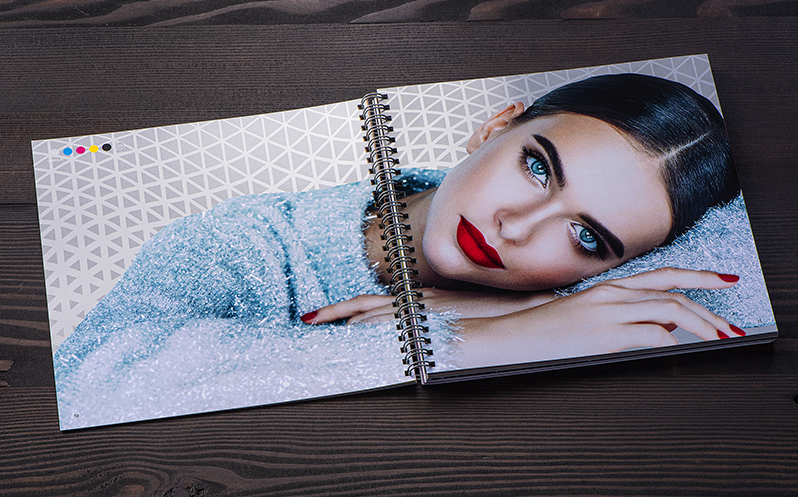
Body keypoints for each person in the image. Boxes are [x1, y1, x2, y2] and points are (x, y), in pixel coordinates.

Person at [53, 73, 749, 429]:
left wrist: (542, 304)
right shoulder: (241, 242)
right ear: (497, 125)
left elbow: (743, 267)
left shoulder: (590, 286)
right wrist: (479, 336)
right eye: (537, 166)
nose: (516, 224)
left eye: (586, 236)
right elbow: (89, 386)